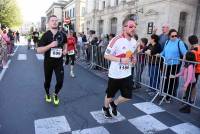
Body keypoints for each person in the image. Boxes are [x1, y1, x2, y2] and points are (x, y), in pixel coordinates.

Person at [102, 17, 137, 118]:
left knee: (128, 96)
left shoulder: (134, 42)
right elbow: (106, 55)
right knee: (110, 95)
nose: (133, 28)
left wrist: (133, 58)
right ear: (124, 28)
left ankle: (114, 104)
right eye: (131, 26)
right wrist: (121, 60)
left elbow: (131, 54)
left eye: (135, 26)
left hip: (127, 73)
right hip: (115, 74)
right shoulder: (116, 40)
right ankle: (105, 108)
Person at [37, 15, 67, 105]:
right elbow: (38, 50)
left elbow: (65, 43)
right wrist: (50, 45)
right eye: (52, 20)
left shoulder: (62, 34)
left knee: (60, 81)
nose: (54, 22)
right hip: (48, 63)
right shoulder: (45, 35)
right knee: (47, 81)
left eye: (56, 20)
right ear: (49, 23)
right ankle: (47, 93)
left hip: (59, 62)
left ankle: (56, 94)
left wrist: (65, 50)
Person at [160, 29, 187, 103]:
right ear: (169, 36)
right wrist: (159, 55)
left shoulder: (179, 42)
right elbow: (164, 52)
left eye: (176, 35)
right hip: (167, 64)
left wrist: (184, 64)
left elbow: (185, 53)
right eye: (172, 36)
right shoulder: (167, 42)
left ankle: (169, 96)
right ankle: (164, 94)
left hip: (175, 64)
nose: (174, 37)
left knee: (172, 80)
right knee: (166, 79)